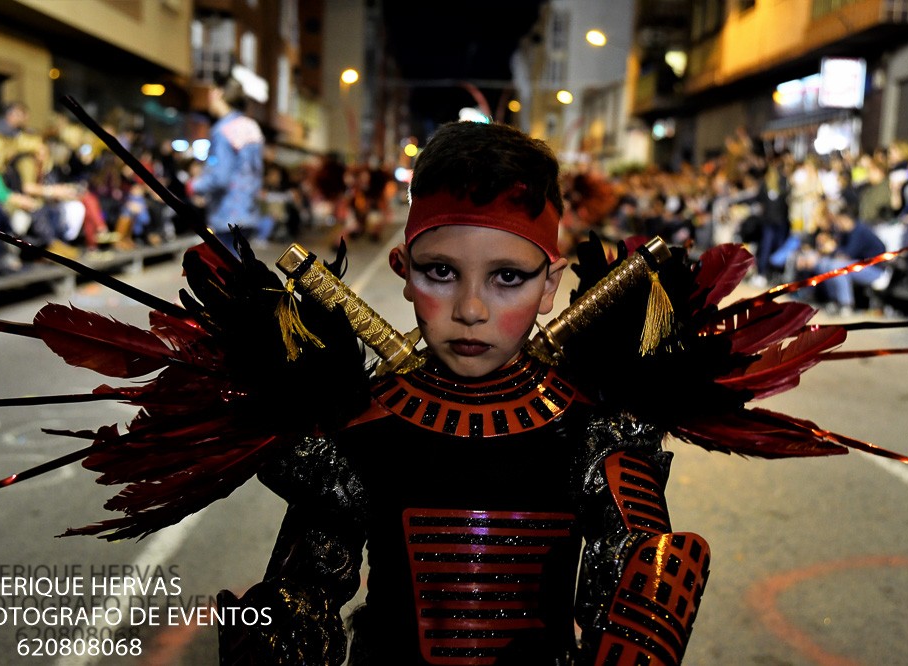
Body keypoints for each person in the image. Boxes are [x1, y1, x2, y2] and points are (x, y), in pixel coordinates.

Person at [215, 120, 709, 665]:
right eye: (442, 272)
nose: (470, 310)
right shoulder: (361, 426)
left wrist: (644, 608)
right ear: (404, 270)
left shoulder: (593, 430)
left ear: (550, 284)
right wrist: (275, 629)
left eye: (508, 278)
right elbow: (306, 587)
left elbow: (642, 568)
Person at [188, 67, 265, 254]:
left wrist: (194, 185)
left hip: (226, 213)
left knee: (226, 272)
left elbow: (220, 177)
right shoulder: (251, 126)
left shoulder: (223, 130)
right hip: (249, 211)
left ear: (219, 93)